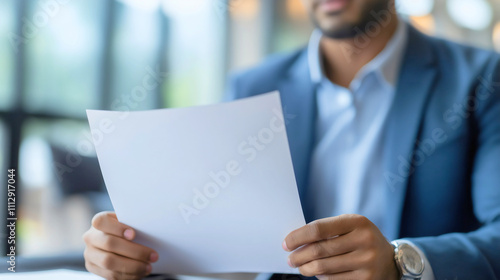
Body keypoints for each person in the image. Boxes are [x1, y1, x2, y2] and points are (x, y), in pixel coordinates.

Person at [83, 0, 500, 279]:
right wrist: (125, 251)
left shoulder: (480, 80)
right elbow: (209, 233)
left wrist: (401, 262)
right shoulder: (253, 85)